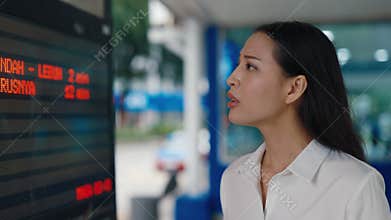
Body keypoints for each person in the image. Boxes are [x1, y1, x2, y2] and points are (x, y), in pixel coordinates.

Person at [220, 21, 391, 220]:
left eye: (250, 66)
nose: (232, 78)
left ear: (294, 88)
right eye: (239, 64)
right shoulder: (234, 179)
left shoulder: (357, 186)